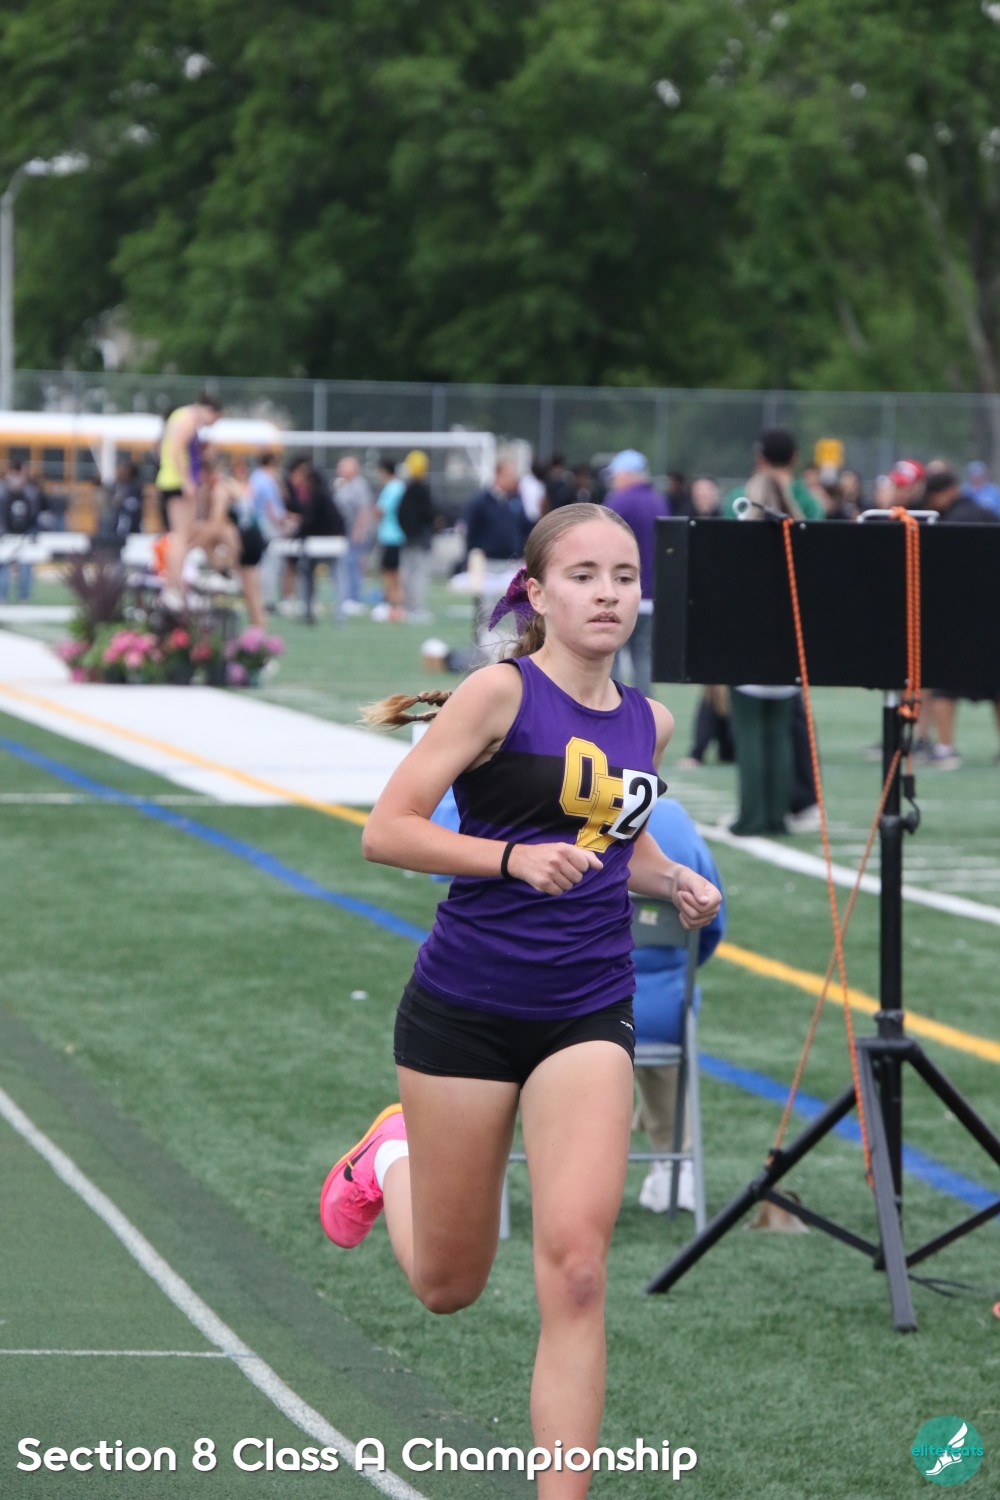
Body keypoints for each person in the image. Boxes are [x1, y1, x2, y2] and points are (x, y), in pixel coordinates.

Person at [320, 503, 721, 1497]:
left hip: (587, 1007)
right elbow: (387, 830)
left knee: (578, 1271)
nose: (608, 594)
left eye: (623, 576)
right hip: (466, 1005)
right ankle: (389, 1155)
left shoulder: (651, 721)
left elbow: (613, 842)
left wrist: (672, 878)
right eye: (584, 576)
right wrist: (508, 858)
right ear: (538, 593)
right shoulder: (498, 693)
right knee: (447, 1286)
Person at [632, 797, 725, 1214]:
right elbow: (710, 924)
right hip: (662, 1011)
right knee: (662, 1009)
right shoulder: (671, 817)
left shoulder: (550, 806)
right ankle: (675, 1164)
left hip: (565, 1009)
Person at [917, 468, 1000, 769]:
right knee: (996, 685)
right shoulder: (988, 513)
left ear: (944, 492)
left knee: (944, 684)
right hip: (993, 612)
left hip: (958, 617)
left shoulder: (949, 521)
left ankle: (946, 747)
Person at [601, 449, 669, 697]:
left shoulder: (618, 501)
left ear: (627, 474)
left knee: (610, 654)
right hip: (651, 595)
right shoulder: (659, 501)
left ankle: (609, 706)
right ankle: (644, 709)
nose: (613, 480)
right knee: (643, 656)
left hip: (619, 593)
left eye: (616, 475)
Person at [154, 393, 223, 609]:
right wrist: (187, 482)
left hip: (172, 481)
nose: (210, 425)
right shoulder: (187, 420)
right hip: (177, 483)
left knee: (180, 536)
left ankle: (174, 587)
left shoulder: (180, 417)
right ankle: (175, 588)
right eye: (214, 419)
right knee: (180, 538)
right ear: (208, 410)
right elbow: (175, 450)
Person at [463, 458, 532, 565]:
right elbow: (471, 532)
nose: (513, 479)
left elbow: (524, 527)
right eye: (510, 475)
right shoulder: (480, 501)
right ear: (498, 475)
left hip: (513, 561)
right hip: (489, 561)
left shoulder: (516, 499)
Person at [397, 449, 436, 621]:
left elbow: (400, 514)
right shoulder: (421, 490)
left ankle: (408, 607)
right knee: (418, 574)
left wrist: (406, 531)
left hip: (408, 538)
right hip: (420, 538)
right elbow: (428, 513)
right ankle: (416, 608)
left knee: (408, 573)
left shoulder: (407, 489)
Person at [334, 456, 375, 613]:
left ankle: (353, 599)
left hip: (354, 535)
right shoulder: (344, 485)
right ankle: (345, 597)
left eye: (342, 467)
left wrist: (359, 531)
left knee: (353, 566)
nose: (339, 470)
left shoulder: (359, 485)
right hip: (344, 534)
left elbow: (363, 510)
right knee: (345, 567)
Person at [0, 462, 44, 602]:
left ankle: (24, 597)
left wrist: (33, 531)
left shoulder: (30, 492)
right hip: (6, 534)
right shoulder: (3, 492)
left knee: (25, 565)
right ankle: (3, 597)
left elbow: (36, 514)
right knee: (4, 565)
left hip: (25, 533)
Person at [373, 457, 406, 620]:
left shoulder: (391, 487)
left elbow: (380, 510)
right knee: (395, 572)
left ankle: (391, 605)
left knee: (389, 573)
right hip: (400, 535)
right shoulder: (401, 486)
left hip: (390, 535)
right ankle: (396, 605)